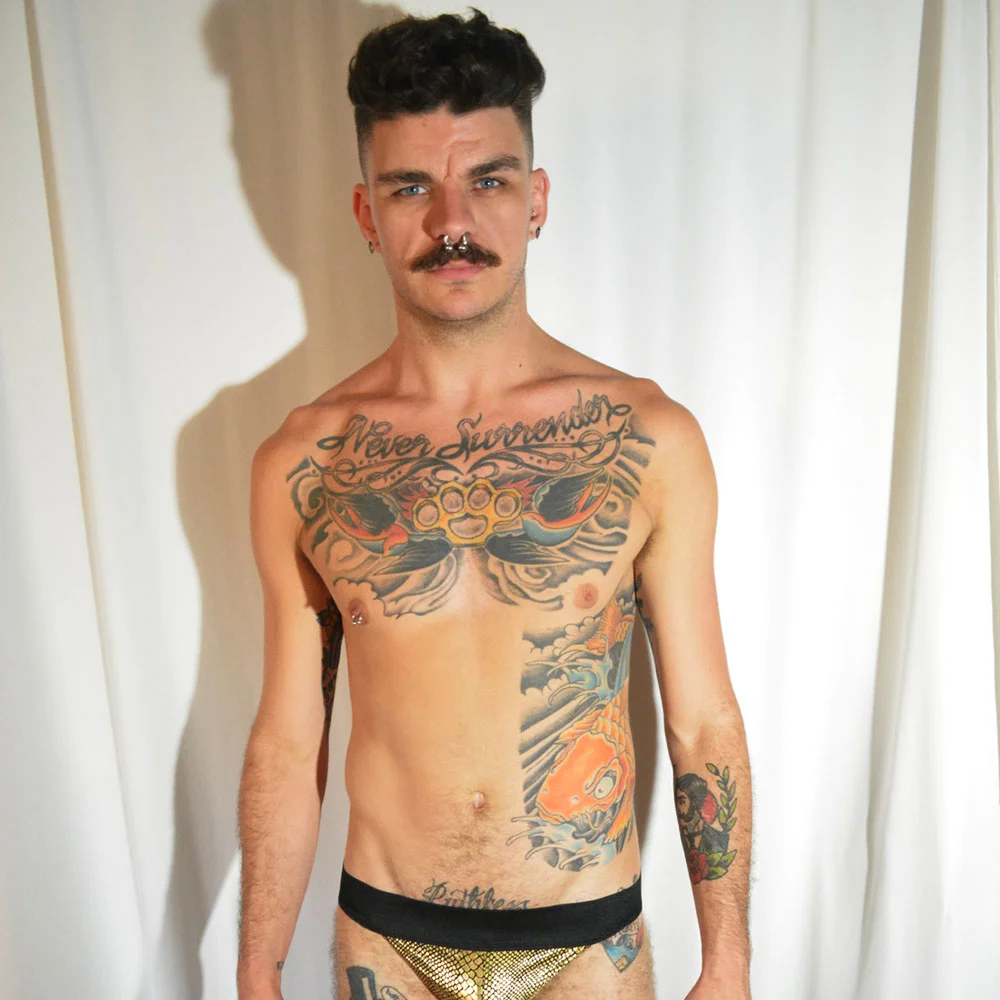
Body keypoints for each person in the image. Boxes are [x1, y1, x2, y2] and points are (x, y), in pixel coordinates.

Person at [236, 8, 752, 1000]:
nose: (451, 224)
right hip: (386, 942)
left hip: (587, 947)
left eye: (488, 180)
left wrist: (727, 961)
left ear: (536, 198)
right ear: (366, 214)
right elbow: (288, 742)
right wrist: (256, 966)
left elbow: (701, 721)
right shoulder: (306, 461)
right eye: (410, 188)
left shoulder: (647, 437)